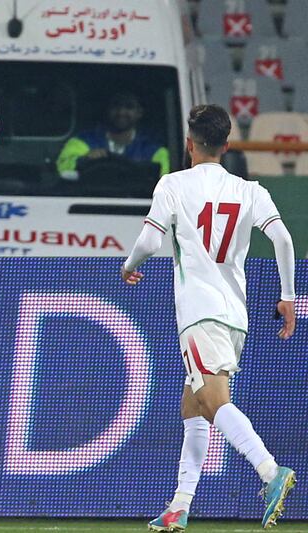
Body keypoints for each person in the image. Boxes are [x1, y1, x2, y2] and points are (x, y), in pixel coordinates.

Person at [121, 104, 296, 531]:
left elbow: (148, 239)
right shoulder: (251, 190)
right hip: (235, 315)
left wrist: (129, 265)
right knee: (194, 405)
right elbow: (284, 239)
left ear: (189, 143)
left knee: (214, 402)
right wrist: (288, 296)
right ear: (227, 145)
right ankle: (180, 504)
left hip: (199, 313)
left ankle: (270, 472)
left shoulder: (173, 184)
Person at [57, 91, 170, 179]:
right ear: (107, 110)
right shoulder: (82, 142)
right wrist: (85, 158)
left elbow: (164, 184)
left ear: (139, 112)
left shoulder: (155, 151)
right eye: (116, 106)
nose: (121, 112)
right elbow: (62, 168)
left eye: (129, 107)